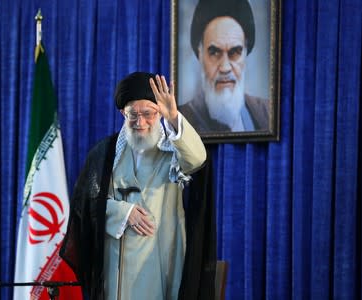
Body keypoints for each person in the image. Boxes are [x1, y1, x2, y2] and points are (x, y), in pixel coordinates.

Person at [59, 72, 216, 300]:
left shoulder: (175, 149)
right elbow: (85, 204)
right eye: (133, 115)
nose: (140, 122)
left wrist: (173, 117)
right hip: (116, 271)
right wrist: (122, 212)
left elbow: (197, 160)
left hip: (163, 261)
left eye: (148, 114)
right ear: (123, 113)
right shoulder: (105, 153)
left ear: (159, 112)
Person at [178, 0, 269, 133]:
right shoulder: (181, 120)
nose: (225, 68)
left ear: (245, 53)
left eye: (235, 52)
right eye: (214, 52)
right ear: (200, 54)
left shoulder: (266, 112)